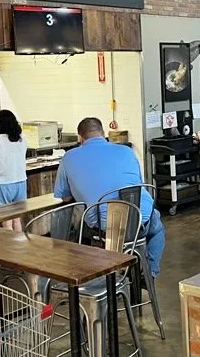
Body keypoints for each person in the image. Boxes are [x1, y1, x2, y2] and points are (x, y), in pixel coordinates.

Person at [54, 117, 165, 278]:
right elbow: (137, 185)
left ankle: (101, 276)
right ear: (103, 133)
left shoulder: (68, 158)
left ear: (81, 138)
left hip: (105, 229)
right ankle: (150, 272)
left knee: (81, 227)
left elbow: (64, 198)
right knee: (157, 228)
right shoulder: (126, 151)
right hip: (140, 218)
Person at [0, 109, 27, 231]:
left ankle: (8, 244)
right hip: (20, 182)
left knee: (6, 222)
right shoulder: (22, 139)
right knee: (17, 219)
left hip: (2, 183)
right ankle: (20, 242)